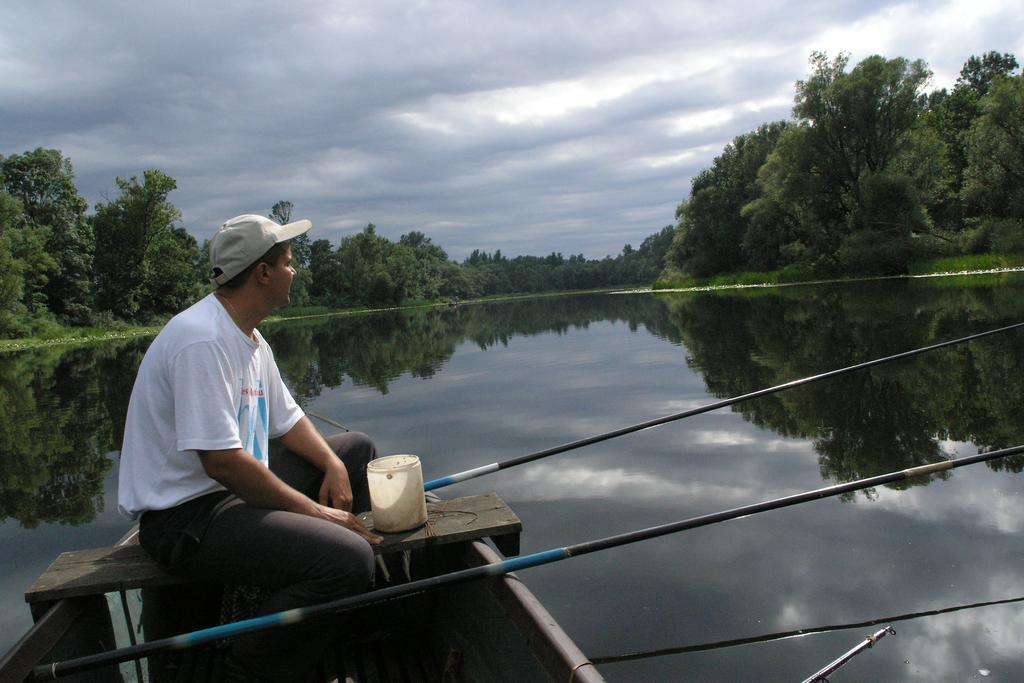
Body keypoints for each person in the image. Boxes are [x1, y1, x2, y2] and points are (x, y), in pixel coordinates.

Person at [117, 213, 382, 681]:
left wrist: (331, 465)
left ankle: (334, 617)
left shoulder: (251, 339)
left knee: (355, 450)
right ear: (262, 272)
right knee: (349, 561)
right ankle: (242, 670)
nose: (294, 271)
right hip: (186, 518)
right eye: (288, 261)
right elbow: (222, 464)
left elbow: (288, 419)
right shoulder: (201, 339)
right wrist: (319, 514)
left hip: (226, 497)